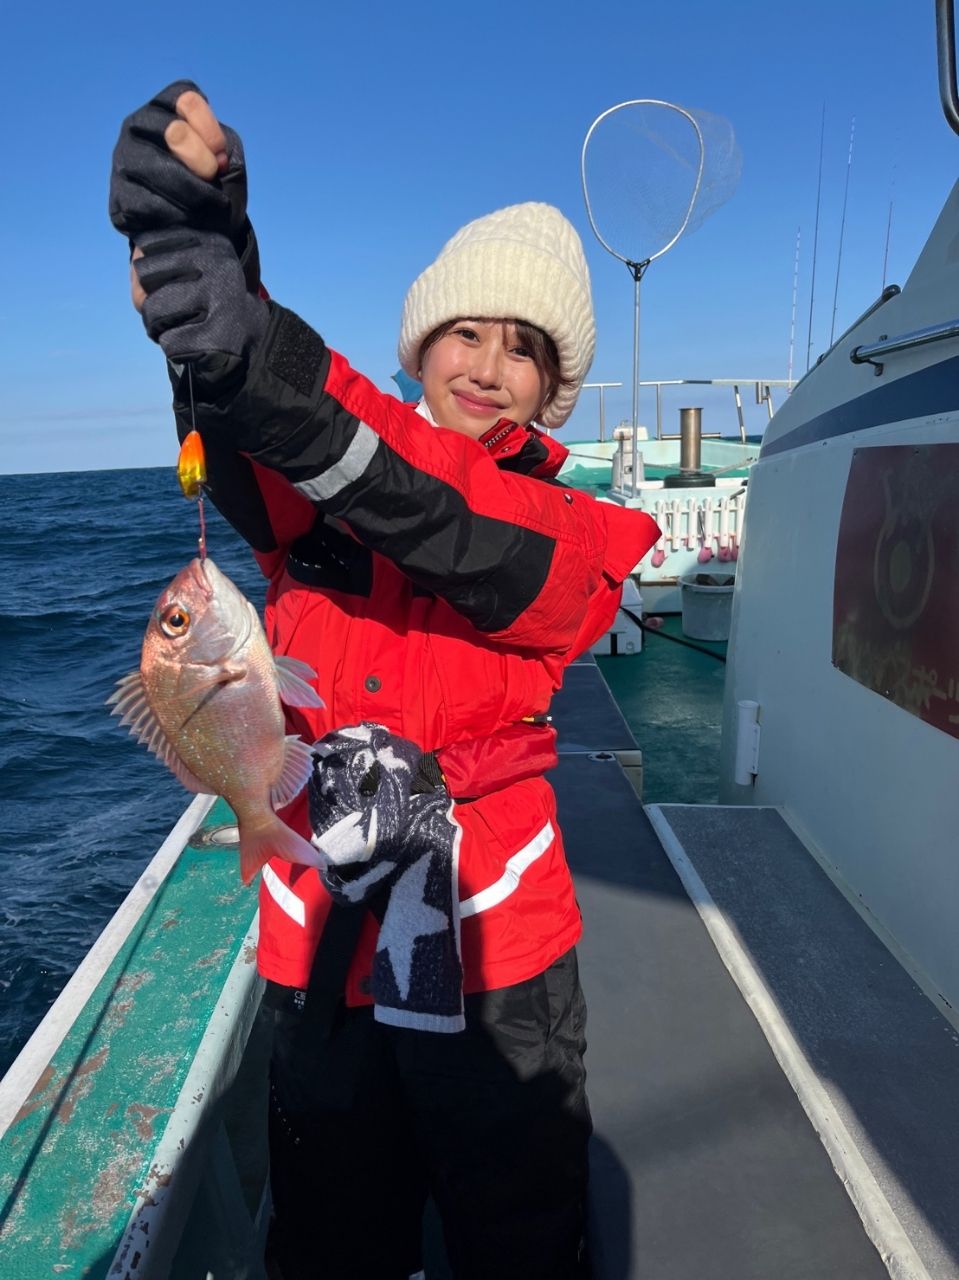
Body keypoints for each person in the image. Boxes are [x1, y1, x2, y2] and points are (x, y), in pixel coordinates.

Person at [110, 82, 659, 1280]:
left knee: (517, 1233)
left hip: (492, 950)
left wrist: (262, 346)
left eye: (527, 350)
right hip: (323, 933)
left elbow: (424, 497)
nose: (490, 365)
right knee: (328, 1230)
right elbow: (252, 430)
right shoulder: (326, 482)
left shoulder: (572, 534)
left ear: (551, 390)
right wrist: (210, 256)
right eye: (468, 331)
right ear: (420, 342)